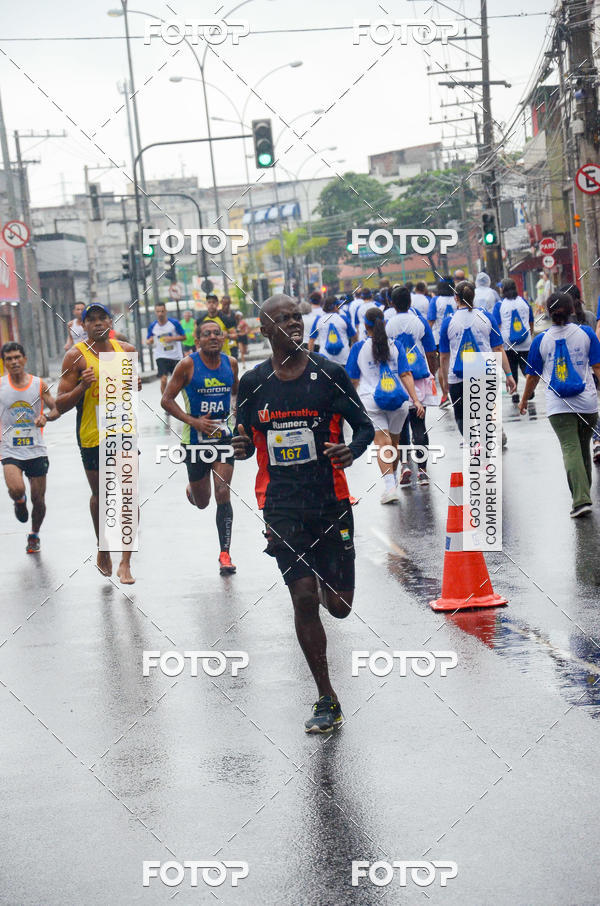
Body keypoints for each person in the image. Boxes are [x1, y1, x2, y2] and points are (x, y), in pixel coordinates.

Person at [232, 295, 374, 733]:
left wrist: (351, 449)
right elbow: (241, 438)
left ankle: (334, 583)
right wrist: (236, 447)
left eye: (298, 316)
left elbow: (365, 425)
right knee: (303, 597)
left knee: (340, 606)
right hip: (281, 506)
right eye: (284, 318)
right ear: (264, 329)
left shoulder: (328, 374)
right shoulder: (253, 382)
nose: (294, 323)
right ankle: (326, 697)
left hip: (330, 503)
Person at [56, 303, 139, 583]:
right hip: (92, 435)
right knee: (101, 496)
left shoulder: (125, 351)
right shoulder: (75, 357)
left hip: (123, 431)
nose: (97, 323)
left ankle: (126, 562)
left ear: (110, 321)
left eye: (102, 317)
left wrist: (135, 384)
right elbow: (60, 403)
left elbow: (129, 391)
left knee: (128, 493)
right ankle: (103, 546)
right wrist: (83, 386)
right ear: (84, 326)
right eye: (90, 320)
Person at [161, 319, 239, 574]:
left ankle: (225, 553)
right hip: (194, 441)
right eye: (207, 334)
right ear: (197, 341)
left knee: (222, 492)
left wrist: (239, 420)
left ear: (224, 338)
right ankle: (192, 491)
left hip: (223, 439)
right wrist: (193, 421)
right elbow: (166, 400)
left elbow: (237, 394)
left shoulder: (231, 364)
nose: (213, 337)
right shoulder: (187, 365)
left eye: (217, 333)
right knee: (203, 501)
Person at [520, 292, 600, 518]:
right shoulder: (586, 334)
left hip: (559, 406)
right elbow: (597, 367)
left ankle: (581, 499)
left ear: (548, 312)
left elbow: (532, 377)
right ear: (572, 309)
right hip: (587, 403)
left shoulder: (540, 341)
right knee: (582, 447)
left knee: (570, 448)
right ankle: (582, 496)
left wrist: (525, 400)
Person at [346, 307, 423, 503]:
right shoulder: (396, 345)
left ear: (365, 326)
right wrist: (415, 400)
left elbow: (353, 380)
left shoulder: (358, 348)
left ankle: (390, 487)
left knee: (383, 444)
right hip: (399, 402)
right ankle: (392, 483)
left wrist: (347, 405)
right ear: (384, 324)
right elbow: (406, 374)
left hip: (371, 401)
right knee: (394, 445)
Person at [0, 342, 59, 553]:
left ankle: (34, 534)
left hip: (36, 449)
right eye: (9, 358)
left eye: (17, 357)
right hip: (10, 449)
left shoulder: (38, 384)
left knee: (39, 500)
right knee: (16, 489)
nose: (14, 361)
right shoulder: (1, 385)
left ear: (24, 359)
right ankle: (19, 500)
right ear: (4, 363)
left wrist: (46, 417)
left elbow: (55, 408)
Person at [439, 281, 517, 438]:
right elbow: (498, 349)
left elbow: (444, 356)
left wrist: (445, 380)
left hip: (458, 377)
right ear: (473, 296)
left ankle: (473, 444)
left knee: (462, 417)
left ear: (456, 298)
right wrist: (509, 375)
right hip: (485, 374)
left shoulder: (448, 322)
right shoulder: (487, 317)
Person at [385, 285, 438, 486]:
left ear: (391, 303)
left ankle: (405, 465)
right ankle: (423, 471)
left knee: (400, 426)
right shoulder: (420, 323)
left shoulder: (388, 325)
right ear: (410, 302)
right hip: (419, 379)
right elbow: (431, 351)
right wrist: (431, 372)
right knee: (420, 425)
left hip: (398, 381)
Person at [493, 278, 534, 403]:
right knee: (525, 367)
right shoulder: (524, 302)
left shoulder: (499, 305)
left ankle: (514, 393)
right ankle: (530, 388)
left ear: (503, 289)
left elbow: (497, 326)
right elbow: (531, 321)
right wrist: (529, 334)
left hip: (508, 343)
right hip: (525, 340)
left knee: (511, 368)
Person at [428, 278, 457, 407]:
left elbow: (431, 320)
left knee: (442, 366)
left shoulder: (435, 300)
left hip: (439, 338)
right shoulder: (457, 298)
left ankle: (445, 395)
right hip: (456, 335)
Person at [146, 302, 185, 396]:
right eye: (158, 311)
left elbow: (184, 337)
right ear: (155, 312)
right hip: (161, 355)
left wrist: (172, 339)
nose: (160, 314)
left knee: (179, 382)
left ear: (166, 311)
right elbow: (148, 340)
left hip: (175, 356)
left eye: (162, 311)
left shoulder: (174, 323)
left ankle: (175, 400)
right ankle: (165, 403)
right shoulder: (152, 326)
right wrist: (150, 341)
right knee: (163, 379)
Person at [308, 295, 356, 365]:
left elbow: (311, 341)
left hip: (325, 359)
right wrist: (351, 350)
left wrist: (312, 359)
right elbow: (354, 338)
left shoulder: (318, 320)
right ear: (335, 307)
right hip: (344, 358)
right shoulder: (343, 318)